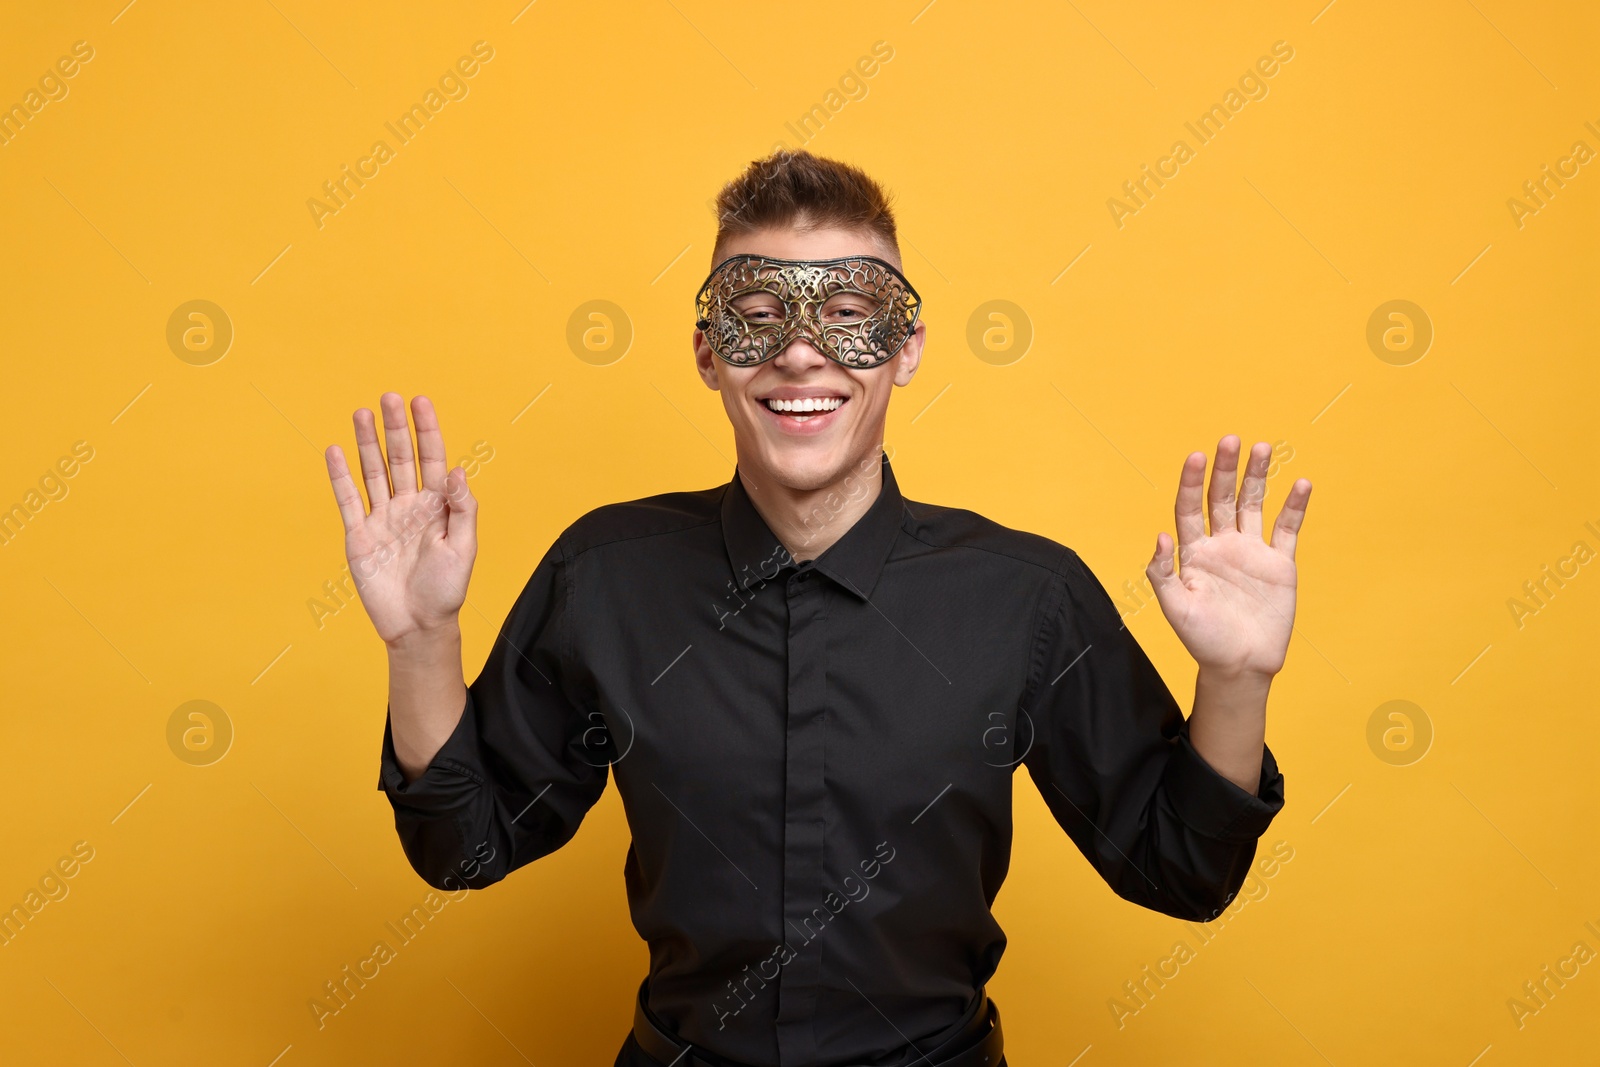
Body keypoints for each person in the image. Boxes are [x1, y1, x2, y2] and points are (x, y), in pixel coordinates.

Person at [322, 148, 1313, 1067]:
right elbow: (466, 845)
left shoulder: (1024, 597)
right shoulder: (605, 578)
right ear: (709, 351)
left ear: (907, 347)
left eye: (848, 311)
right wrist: (420, 642)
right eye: (758, 312)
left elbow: (1183, 871)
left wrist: (1234, 679)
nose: (802, 354)